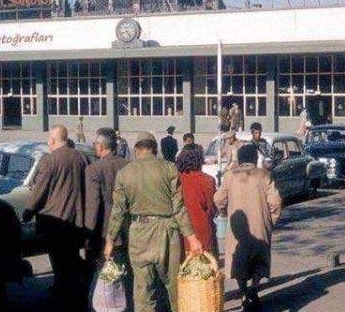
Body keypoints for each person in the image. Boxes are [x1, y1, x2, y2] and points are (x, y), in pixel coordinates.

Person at [104, 131, 203, 312]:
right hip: (167, 233)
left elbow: (117, 211)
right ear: (155, 149)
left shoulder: (124, 174)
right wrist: (192, 237)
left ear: (136, 150)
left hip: (138, 234)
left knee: (143, 293)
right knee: (174, 288)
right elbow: (179, 207)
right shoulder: (169, 168)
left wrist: (110, 240)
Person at [22, 125, 89, 310]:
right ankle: (75, 290)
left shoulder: (49, 161)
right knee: (72, 256)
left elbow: (40, 191)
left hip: (55, 221)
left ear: (53, 140)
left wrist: (28, 211)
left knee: (59, 261)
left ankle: (63, 295)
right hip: (77, 220)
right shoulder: (83, 158)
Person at [214, 144, 282, 312]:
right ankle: (254, 289)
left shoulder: (230, 176)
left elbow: (218, 199)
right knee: (259, 261)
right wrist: (271, 221)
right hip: (260, 226)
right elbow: (276, 202)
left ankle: (244, 292)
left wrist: (225, 213)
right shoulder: (265, 175)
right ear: (254, 158)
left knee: (239, 262)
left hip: (238, 227)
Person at [84, 128, 130, 262]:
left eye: (95, 144)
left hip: (104, 233)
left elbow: (93, 206)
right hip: (127, 230)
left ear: (101, 146)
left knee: (105, 276)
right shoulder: (127, 165)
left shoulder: (93, 169)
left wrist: (89, 237)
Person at [176, 148, 218, 257]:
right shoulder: (208, 180)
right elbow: (212, 207)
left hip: (181, 232)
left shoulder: (177, 179)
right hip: (203, 230)